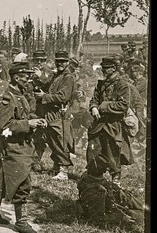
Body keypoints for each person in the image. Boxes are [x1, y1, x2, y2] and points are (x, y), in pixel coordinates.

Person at [0, 61, 46, 233]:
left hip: (21, 144)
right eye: (26, 76)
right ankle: (21, 221)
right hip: (13, 146)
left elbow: (23, 115)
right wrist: (28, 124)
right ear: (17, 77)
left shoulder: (20, 95)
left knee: (2, 177)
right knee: (22, 181)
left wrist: (35, 119)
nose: (29, 79)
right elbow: (5, 126)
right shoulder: (7, 98)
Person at [85, 56, 133, 185]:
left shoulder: (122, 85)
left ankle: (115, 180)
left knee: (113, 153)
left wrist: (102, 106)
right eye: (103, 68)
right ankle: (96, 177)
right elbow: (94, 99)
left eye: (106, 68)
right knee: (93, 150)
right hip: (98, 124)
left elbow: (123, 105)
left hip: (113, 125)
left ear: (114, 68)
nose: (103, 71)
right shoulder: (101, 84)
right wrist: (94, 107)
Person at [32, 51, 76, 180]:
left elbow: (63, 96)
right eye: (58, 61)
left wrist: (44, 96)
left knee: (61, 140)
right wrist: (39, 79)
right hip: (51, 112)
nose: (60, 63)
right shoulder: (57, 75)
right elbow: (48, 87)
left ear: (68, 62)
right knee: (52, 140)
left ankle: (64, 171)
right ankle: (57, 166)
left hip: (60, 113)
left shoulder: (68, 77)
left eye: (63, 61)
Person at [30, 50, 55, 171]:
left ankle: (36, 161)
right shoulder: (28, 71)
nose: (39, 63)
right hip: (29, 106)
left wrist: (41, 76)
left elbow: (50, 89)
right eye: (36, 60)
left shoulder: (50, 73)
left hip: (42, 108)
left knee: (40, 135)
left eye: (42, 60)